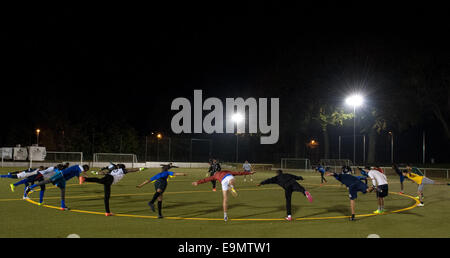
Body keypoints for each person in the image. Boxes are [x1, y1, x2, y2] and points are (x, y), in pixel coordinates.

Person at [80, 164, 145, 216]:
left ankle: (107, 212)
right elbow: (130, 170)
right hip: (110, 179)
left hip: (109, 180)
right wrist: (139, 169)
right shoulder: (121, 170)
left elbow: (104, 173)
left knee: (107, 197)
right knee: (100, 181)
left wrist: (96, 173)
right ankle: (84, 179)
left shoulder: (113, 170)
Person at [25, 164, 90, 210]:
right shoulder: (78, 167)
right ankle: (30, 187)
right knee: (48, 181)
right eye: (86, 170)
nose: (85, 171)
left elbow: (77, 174)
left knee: (63, 191)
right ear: (85, 168)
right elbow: (80, 171)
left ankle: (62, 206)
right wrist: (82, 177)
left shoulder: (77, 169)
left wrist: (80, 178)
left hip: (63, 179)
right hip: (60, 175)